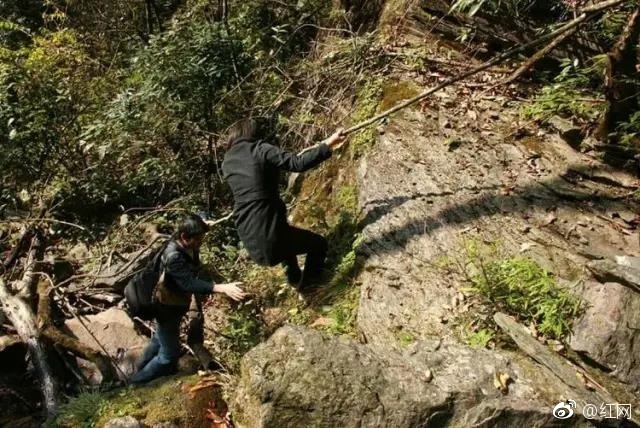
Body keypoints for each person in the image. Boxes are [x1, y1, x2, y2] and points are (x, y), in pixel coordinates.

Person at [222, 118, 347, 290]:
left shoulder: (227, 162)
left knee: (285, 240)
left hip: (248, 235)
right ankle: (310, 288)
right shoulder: (260, 148)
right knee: (318, 244)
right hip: (269, 234)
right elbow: (297, 163)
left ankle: (295, 280)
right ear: (253, 133)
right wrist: (327, 145)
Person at [131, 214, 246, 384]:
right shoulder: (174, 256)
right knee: (168, 355)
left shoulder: (182, 240)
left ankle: (140, 368)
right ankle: (135, 383)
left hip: (172, 304)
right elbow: (187, 282)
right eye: (198, 239)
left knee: (159, 338)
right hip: (166, 308)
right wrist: (221, 288)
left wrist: (203, 226)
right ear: (185, 237)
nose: (201, 242)